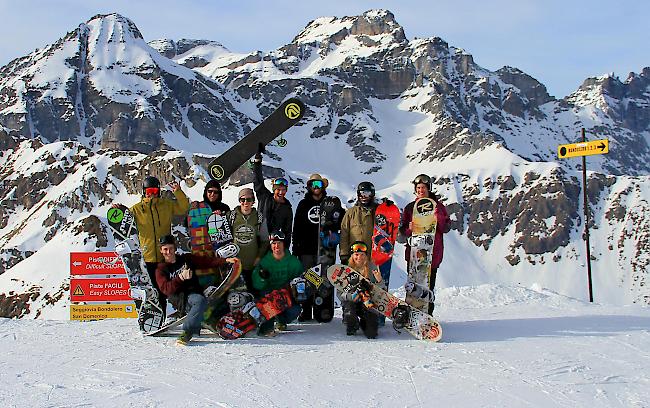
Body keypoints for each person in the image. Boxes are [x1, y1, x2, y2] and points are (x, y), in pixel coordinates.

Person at [113, 176, 189, 315]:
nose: (152, 193)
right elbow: (125, 220)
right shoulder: (137, 209)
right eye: (148, 191)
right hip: (147, 257)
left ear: (158, 191)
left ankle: (176, 313)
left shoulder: (166, 205)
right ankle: (158, 318)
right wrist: (119, 209)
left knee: (167, 288)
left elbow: (183, 207)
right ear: (144, 191)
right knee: (153, 291)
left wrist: (178, 191)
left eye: (154, 190)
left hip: (164, 256)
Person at [154, 235, 238, 345]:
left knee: (206, 299)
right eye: (165, 249)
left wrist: (225, 260)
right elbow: (166, 289)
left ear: (175, 248)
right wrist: (180, 278)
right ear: (161, 250)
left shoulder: (186, 259)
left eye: (170, 248)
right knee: (200, 302)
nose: (168, 252)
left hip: (194, 293)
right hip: (179, 299)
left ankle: (202, 317)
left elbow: (206, 262)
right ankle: (187, 332)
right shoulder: (161, 269)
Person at [398, 174, 450, 314]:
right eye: (418, 188)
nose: (421, 190)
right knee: (413, 285)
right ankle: (411, 312)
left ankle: (428, 314)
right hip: (414, 253)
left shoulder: (438, 207)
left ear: (429, 189)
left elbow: (445, 227)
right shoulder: (410, 208)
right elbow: (402, 231)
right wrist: (409, 228)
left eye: (424, 188)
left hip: (432, 252)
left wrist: (437, 216)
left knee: (428, 285)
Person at [251, 230, 303, 336]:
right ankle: (266, 327)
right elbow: (257, 285)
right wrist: (262, 278)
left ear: (284, 244)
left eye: (279, 243)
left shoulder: (294, 262)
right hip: (268, 297)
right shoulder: (264, 262)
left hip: (285, 297)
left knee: (296, 310)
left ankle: (281, 321)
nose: (276, 246)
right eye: (274, 244)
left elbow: (300, 280)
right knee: (267, 300)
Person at [292, 173, 329, 321]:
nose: (316, 188)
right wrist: (296, 249)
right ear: (309, 187)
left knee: (322, 280)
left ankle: (321, 311)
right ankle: (306, 310)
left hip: (324, 249)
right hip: (306, 249)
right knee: (307, 279)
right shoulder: (303, 204)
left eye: (319, 185)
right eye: (313, 185)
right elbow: (297, 227)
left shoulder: (328, 203)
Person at [339, 241, 384, 339]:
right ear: (352, 255)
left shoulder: (372, 267)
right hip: (352, 302)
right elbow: (340, 293)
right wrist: (352, 295)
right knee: (349, 310)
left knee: (371, 334)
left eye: (362, 254)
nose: (359, 257)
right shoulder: (346, 270)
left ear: (366, 255)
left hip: (368, 302)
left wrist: (379, 280)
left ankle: (365, 323)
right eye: (356, 254)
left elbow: (381, 291)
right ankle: (352, 324)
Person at [228, 188, 268, 293]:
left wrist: (259, 257)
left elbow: (265, 240)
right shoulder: (231, 216)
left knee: (252, 292)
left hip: (252, 264)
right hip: (235, 264)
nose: (246, 202)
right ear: (239, 201)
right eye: (243, 200)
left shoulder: (259, 218)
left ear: (253, 201)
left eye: (249, 199)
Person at [252, 152, 293, 248]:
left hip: (273, 244)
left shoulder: (287, 208)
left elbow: (287, 231)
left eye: (283, 190)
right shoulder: (264, 197)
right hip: (258, 240)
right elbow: (258, 181)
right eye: (278, 189)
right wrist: (257, 163)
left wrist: (285, 250)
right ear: (274, 189)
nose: (281, 192)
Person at [339, 181, 378, 265]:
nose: (363, 196)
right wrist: (344, 254)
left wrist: (387, 209)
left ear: (372, 194)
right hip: (354, 257)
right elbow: (344, 234)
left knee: (370, 277)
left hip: (372, 257)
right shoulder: (350, 212)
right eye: (361, 193)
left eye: (367, 193)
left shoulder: (378, 212)